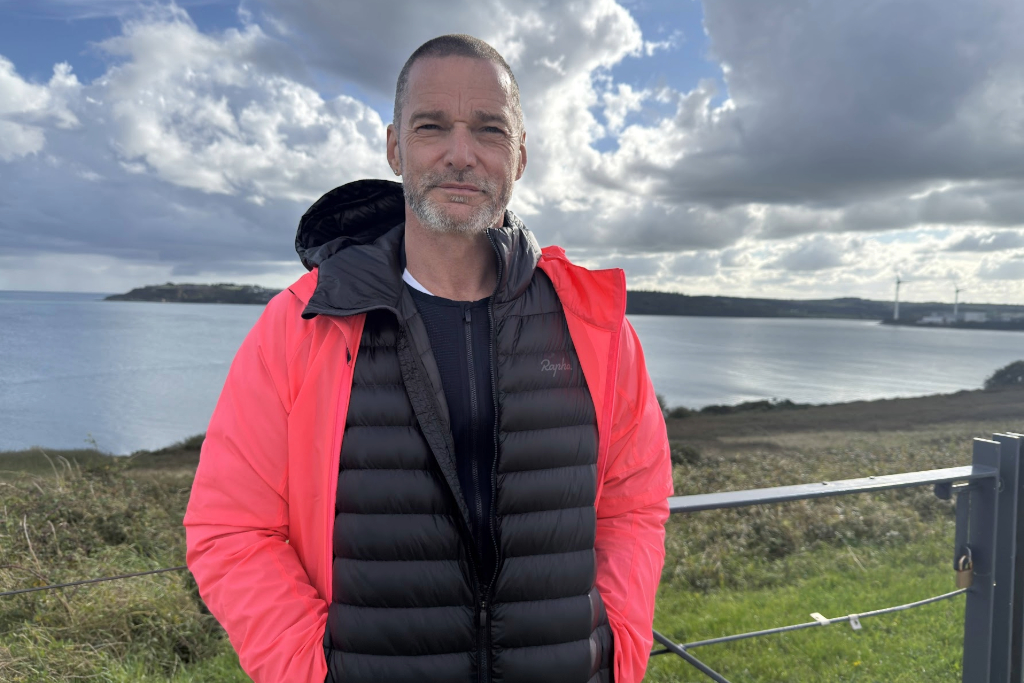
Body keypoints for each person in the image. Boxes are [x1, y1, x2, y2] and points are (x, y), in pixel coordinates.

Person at [184, 34, 673, 683]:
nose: (461, 154)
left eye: (489, 130)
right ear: (395, 147)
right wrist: (313, 670)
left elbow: (634, 504)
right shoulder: (304, 324)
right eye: (433, 126)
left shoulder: (594, 324)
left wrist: (615, 648)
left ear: (520, 154)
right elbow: (230, 527)